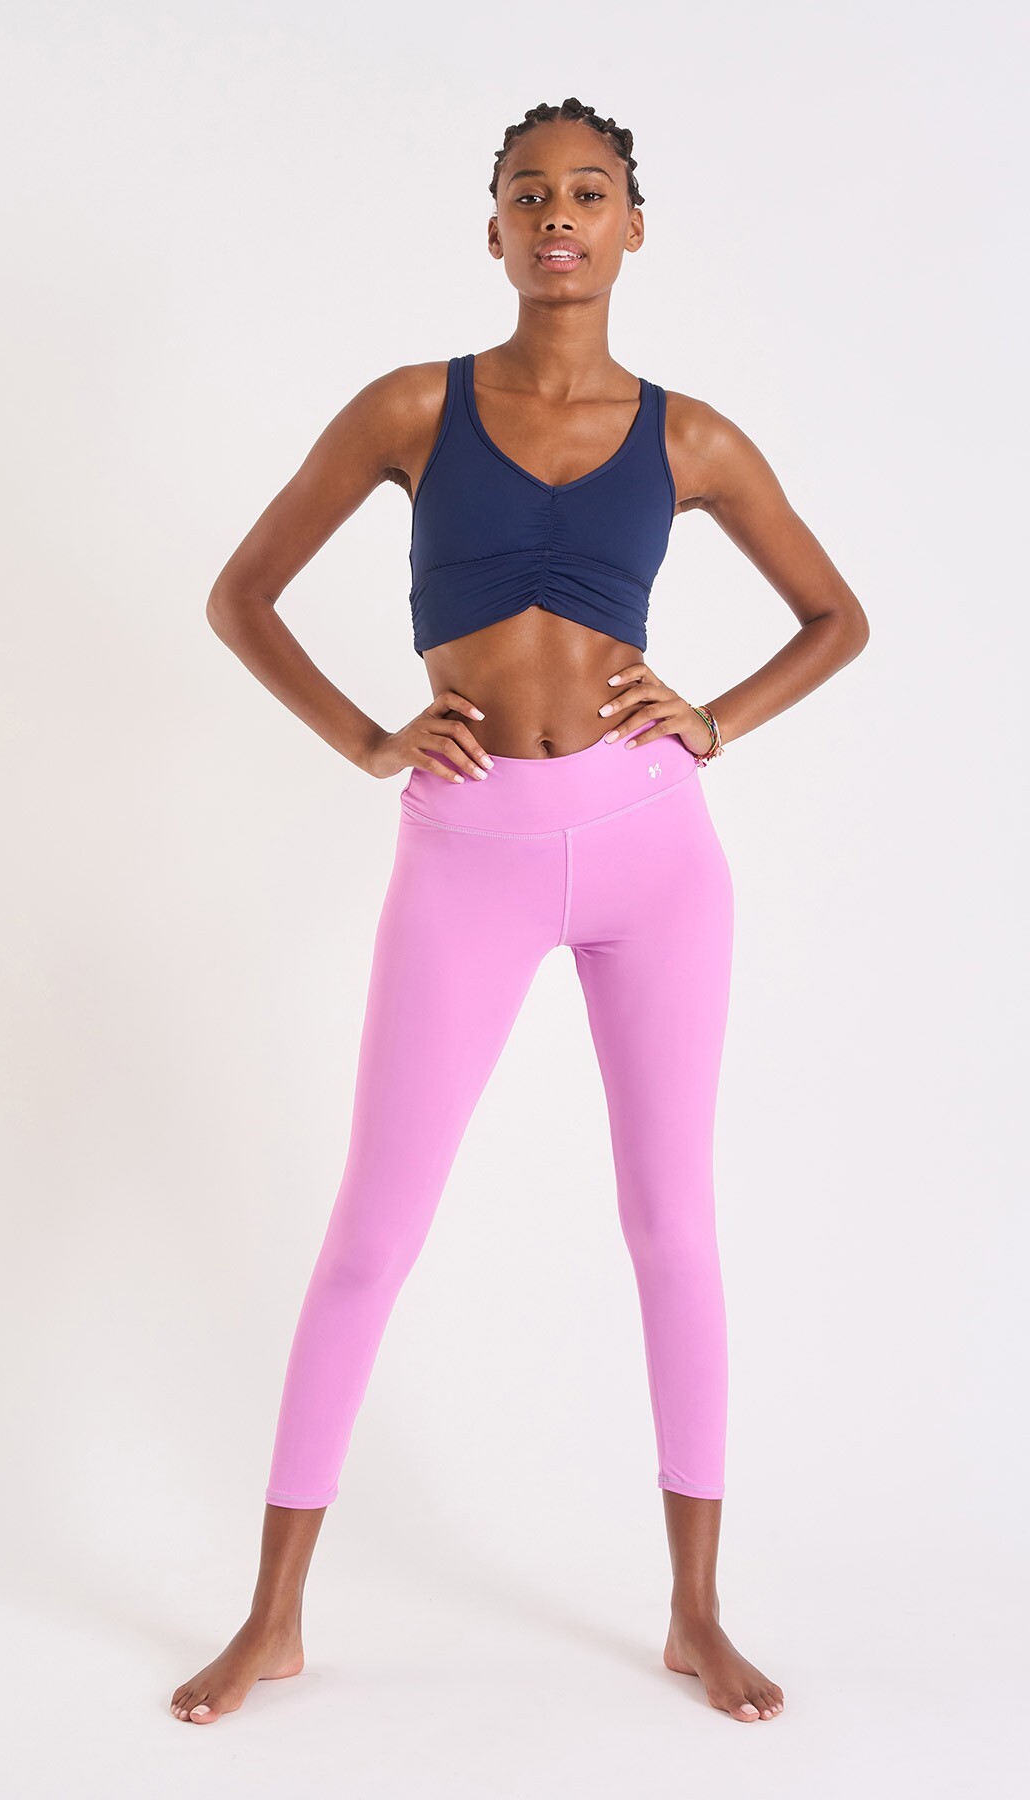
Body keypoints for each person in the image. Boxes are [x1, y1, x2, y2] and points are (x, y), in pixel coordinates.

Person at [171, 95, 869, 1728]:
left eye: (591, 191)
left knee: (672, 1227)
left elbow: (837, 617)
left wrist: (715, 722)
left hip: (652, 852)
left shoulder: (691, 439)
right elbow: (240, 595)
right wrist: (367, 738)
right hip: (467, 847)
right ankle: (273, 1617)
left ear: (634, 227)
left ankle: (696, 1612)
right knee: (372, 1236)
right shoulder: (412, 408)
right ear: (492, 229)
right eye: (532, 193)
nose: (561, 215)